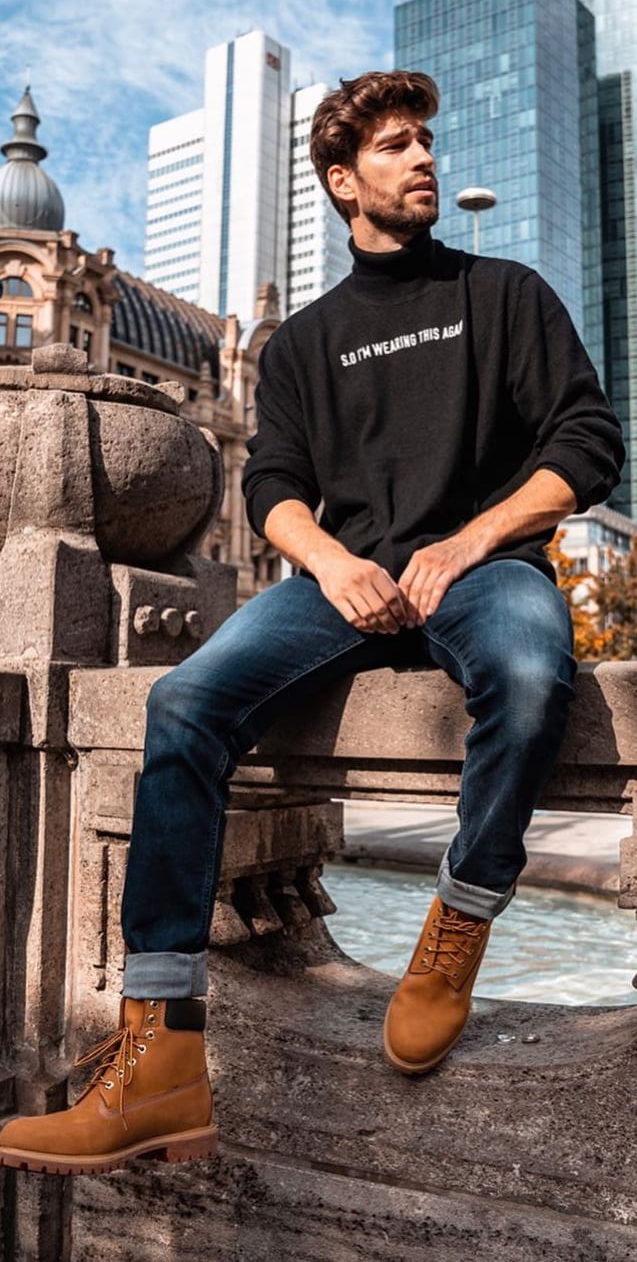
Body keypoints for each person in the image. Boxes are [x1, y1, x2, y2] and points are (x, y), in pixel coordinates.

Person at [0, 71, 624, 1175]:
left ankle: (459, 922)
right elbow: (271, 486)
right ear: (344, 182)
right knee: (184, 703)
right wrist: (332, 563)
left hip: (485, 572)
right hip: (340, 581)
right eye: (395, 146)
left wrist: (466, 542)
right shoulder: (297, 348)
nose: (423, 159)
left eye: (424, 141)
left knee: (531, 676)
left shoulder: (508, 294)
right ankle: (160, 1054)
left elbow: (585, 445)